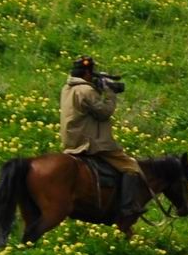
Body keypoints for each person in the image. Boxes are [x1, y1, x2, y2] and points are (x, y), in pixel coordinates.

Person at [59, 56, 143, 214]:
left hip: (71, 140)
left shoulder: (67, 88)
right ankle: (127, 207)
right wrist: (110, 93)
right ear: (87, 74)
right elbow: (104, 113)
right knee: (131, 167)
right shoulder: (86, 90)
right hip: (89, 143)